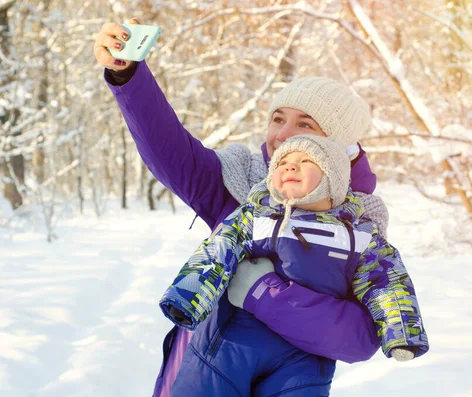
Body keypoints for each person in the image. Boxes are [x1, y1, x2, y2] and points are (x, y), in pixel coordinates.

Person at [94, 19, 395, 396]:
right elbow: (168, 149)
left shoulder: (359, 223)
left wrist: (262, 293)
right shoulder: (239, 185)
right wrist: (129, 77)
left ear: (338, 147)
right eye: (277, 118)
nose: (282, 134)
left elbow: (358, 338)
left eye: (305, 124)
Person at [159, 135, 429, 396]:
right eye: (282, 162)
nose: (290, 166)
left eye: (306, 161)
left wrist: (401, 330)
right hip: (231, 343)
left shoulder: (359, 234)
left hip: (304, 360)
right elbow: (219, 249)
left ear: (333, 177)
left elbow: (386, 280)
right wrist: (188, 295)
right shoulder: (256, 215)